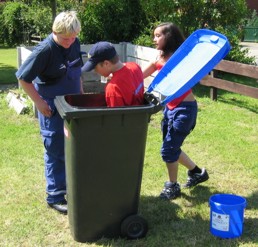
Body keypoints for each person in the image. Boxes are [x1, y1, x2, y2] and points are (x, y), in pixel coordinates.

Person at [16, 11, 84, 214]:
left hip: (72, 106)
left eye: (73, 37)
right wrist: (38, 103)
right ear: (55, 32)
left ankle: (70, 187)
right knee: (55, 149)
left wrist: (80, 93)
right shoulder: (44, 51)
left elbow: (77, 70)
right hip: (51, 108)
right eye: (65, 38)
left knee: (72, 147)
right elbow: (23, 78)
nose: (70, 42)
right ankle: (54, 195)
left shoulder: (74, 42)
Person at [143, 22, 209, 200]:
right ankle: (197, 172)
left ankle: (172, 186)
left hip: (184, 110)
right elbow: (140, 75)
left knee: (168, 150)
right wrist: (119, 75)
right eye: (154, 35)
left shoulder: (181, 58)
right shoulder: (159, 58)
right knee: (171, 147)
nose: (154, 39)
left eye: (158, 35)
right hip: (170, 109)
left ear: (169, 37)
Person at [81, 41, 144, 107]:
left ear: (106, 64)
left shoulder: (113, 88)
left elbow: (115, 116)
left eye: (95, 68)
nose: (95, 71)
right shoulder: (135, 67)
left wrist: (115, 80)